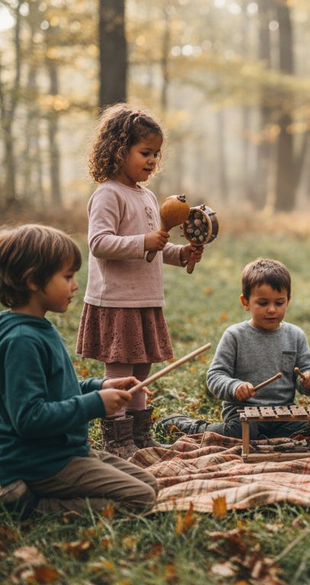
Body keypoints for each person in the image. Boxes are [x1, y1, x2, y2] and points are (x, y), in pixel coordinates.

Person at [0, 224, 159, 516]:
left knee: (150, 484)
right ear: (33, 280)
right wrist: (95, 405)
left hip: (65, 451)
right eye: (68, 277)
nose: (75, 285)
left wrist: (100, 387)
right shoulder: (21, 341)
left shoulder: (37, 327)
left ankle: (37, 496)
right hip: (39, 463)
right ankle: (28, 504)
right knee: (141, 498)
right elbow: (30, 418)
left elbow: (58, 389)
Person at [76, 104, 203, 457]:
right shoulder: (107, 194)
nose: (151, 161)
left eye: (156, 155)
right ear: (119, 150)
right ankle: (117, 441)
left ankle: (139, 437)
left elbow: (155, 247)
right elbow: (99, 244)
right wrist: (143, 242)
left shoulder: (148, 197)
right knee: (121, 374)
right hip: (116, 301)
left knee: (142, 375)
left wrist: (181, 254)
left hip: (146, 299)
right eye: (144, 152)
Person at [157, 259, 310, 439]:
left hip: (282, 414)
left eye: (279, 303)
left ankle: (264, 439)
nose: (272, 310)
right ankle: (192, 428)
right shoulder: (235, 335)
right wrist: (235, 387)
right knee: (243, 432)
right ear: (245, 302)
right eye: (263, 303)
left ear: (288, 301)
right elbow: (214, 376)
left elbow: (306, 374)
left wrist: (309, 381)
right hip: (243, 413)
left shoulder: (296, 335)